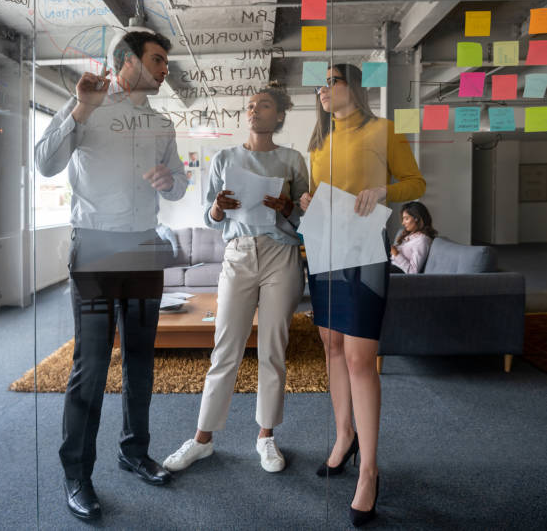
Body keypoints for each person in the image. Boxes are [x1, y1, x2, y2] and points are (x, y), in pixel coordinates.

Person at [35, 29, 186, 521]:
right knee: (93, 364)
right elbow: (45, 162)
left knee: (141, 359)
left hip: (144, 245)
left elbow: (179, 184)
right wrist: (78, 109)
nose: (166, 68)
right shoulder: (88, 104)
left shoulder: (161, 122)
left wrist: (170, 182)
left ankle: (134, 451)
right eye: (158, 59)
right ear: (128, 61)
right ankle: (77, 474)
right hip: (96, 247)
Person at [299, 64, 425, 527]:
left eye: (330, 80)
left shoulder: (383, 130)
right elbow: (313, 193)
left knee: (359, 357)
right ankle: (343, 436)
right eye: (320, 84)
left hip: (365, 247)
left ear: (352, 85)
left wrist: (383, 190)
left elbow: (415, 184)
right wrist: (308, 201)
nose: (323, 89)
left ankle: (369, 469)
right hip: (324, 247)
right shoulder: (318, 141)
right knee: (332, 345)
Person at [163, 82, 308, 474]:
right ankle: (202, 439)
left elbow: (305, 218)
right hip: (239, 253)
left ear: (279, 115)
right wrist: (216, 208)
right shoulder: (225, 157)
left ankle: (266, 437)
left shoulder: (293, 159)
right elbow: (209, 216)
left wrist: (288, 206)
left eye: (263, 105)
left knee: (273, 349)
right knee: (225, 347)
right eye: (250, 105)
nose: (254, 110)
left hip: (281, 254)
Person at [390, 201, 437, 274]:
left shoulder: (422, 240)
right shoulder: (411, 235)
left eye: (406, 218)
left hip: (397, 273)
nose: (403, 223)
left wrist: (396, 254)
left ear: (416, 218)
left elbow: (413, 271)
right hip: (391, 265)